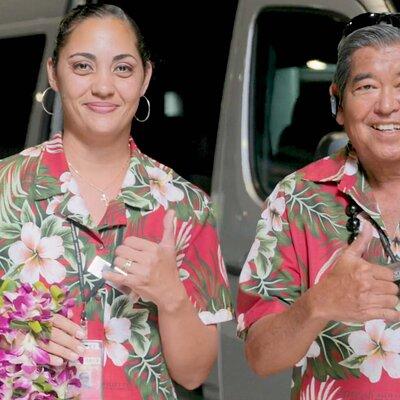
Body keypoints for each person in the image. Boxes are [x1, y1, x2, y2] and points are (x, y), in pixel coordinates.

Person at [0, 4, 233, 399]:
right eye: (82, 66)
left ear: (145, 78)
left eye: (122, 68)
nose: (104, 86)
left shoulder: (184, 205)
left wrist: (171, 296)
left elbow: (194, 374)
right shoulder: (6, 189)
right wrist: (12, 332)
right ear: (54, 73)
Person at [237, 13, 400, 399]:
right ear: (338, 104)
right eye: (366, 86)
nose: (387, 105)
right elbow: (261, 356)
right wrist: (318, 304)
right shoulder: (297, 198)